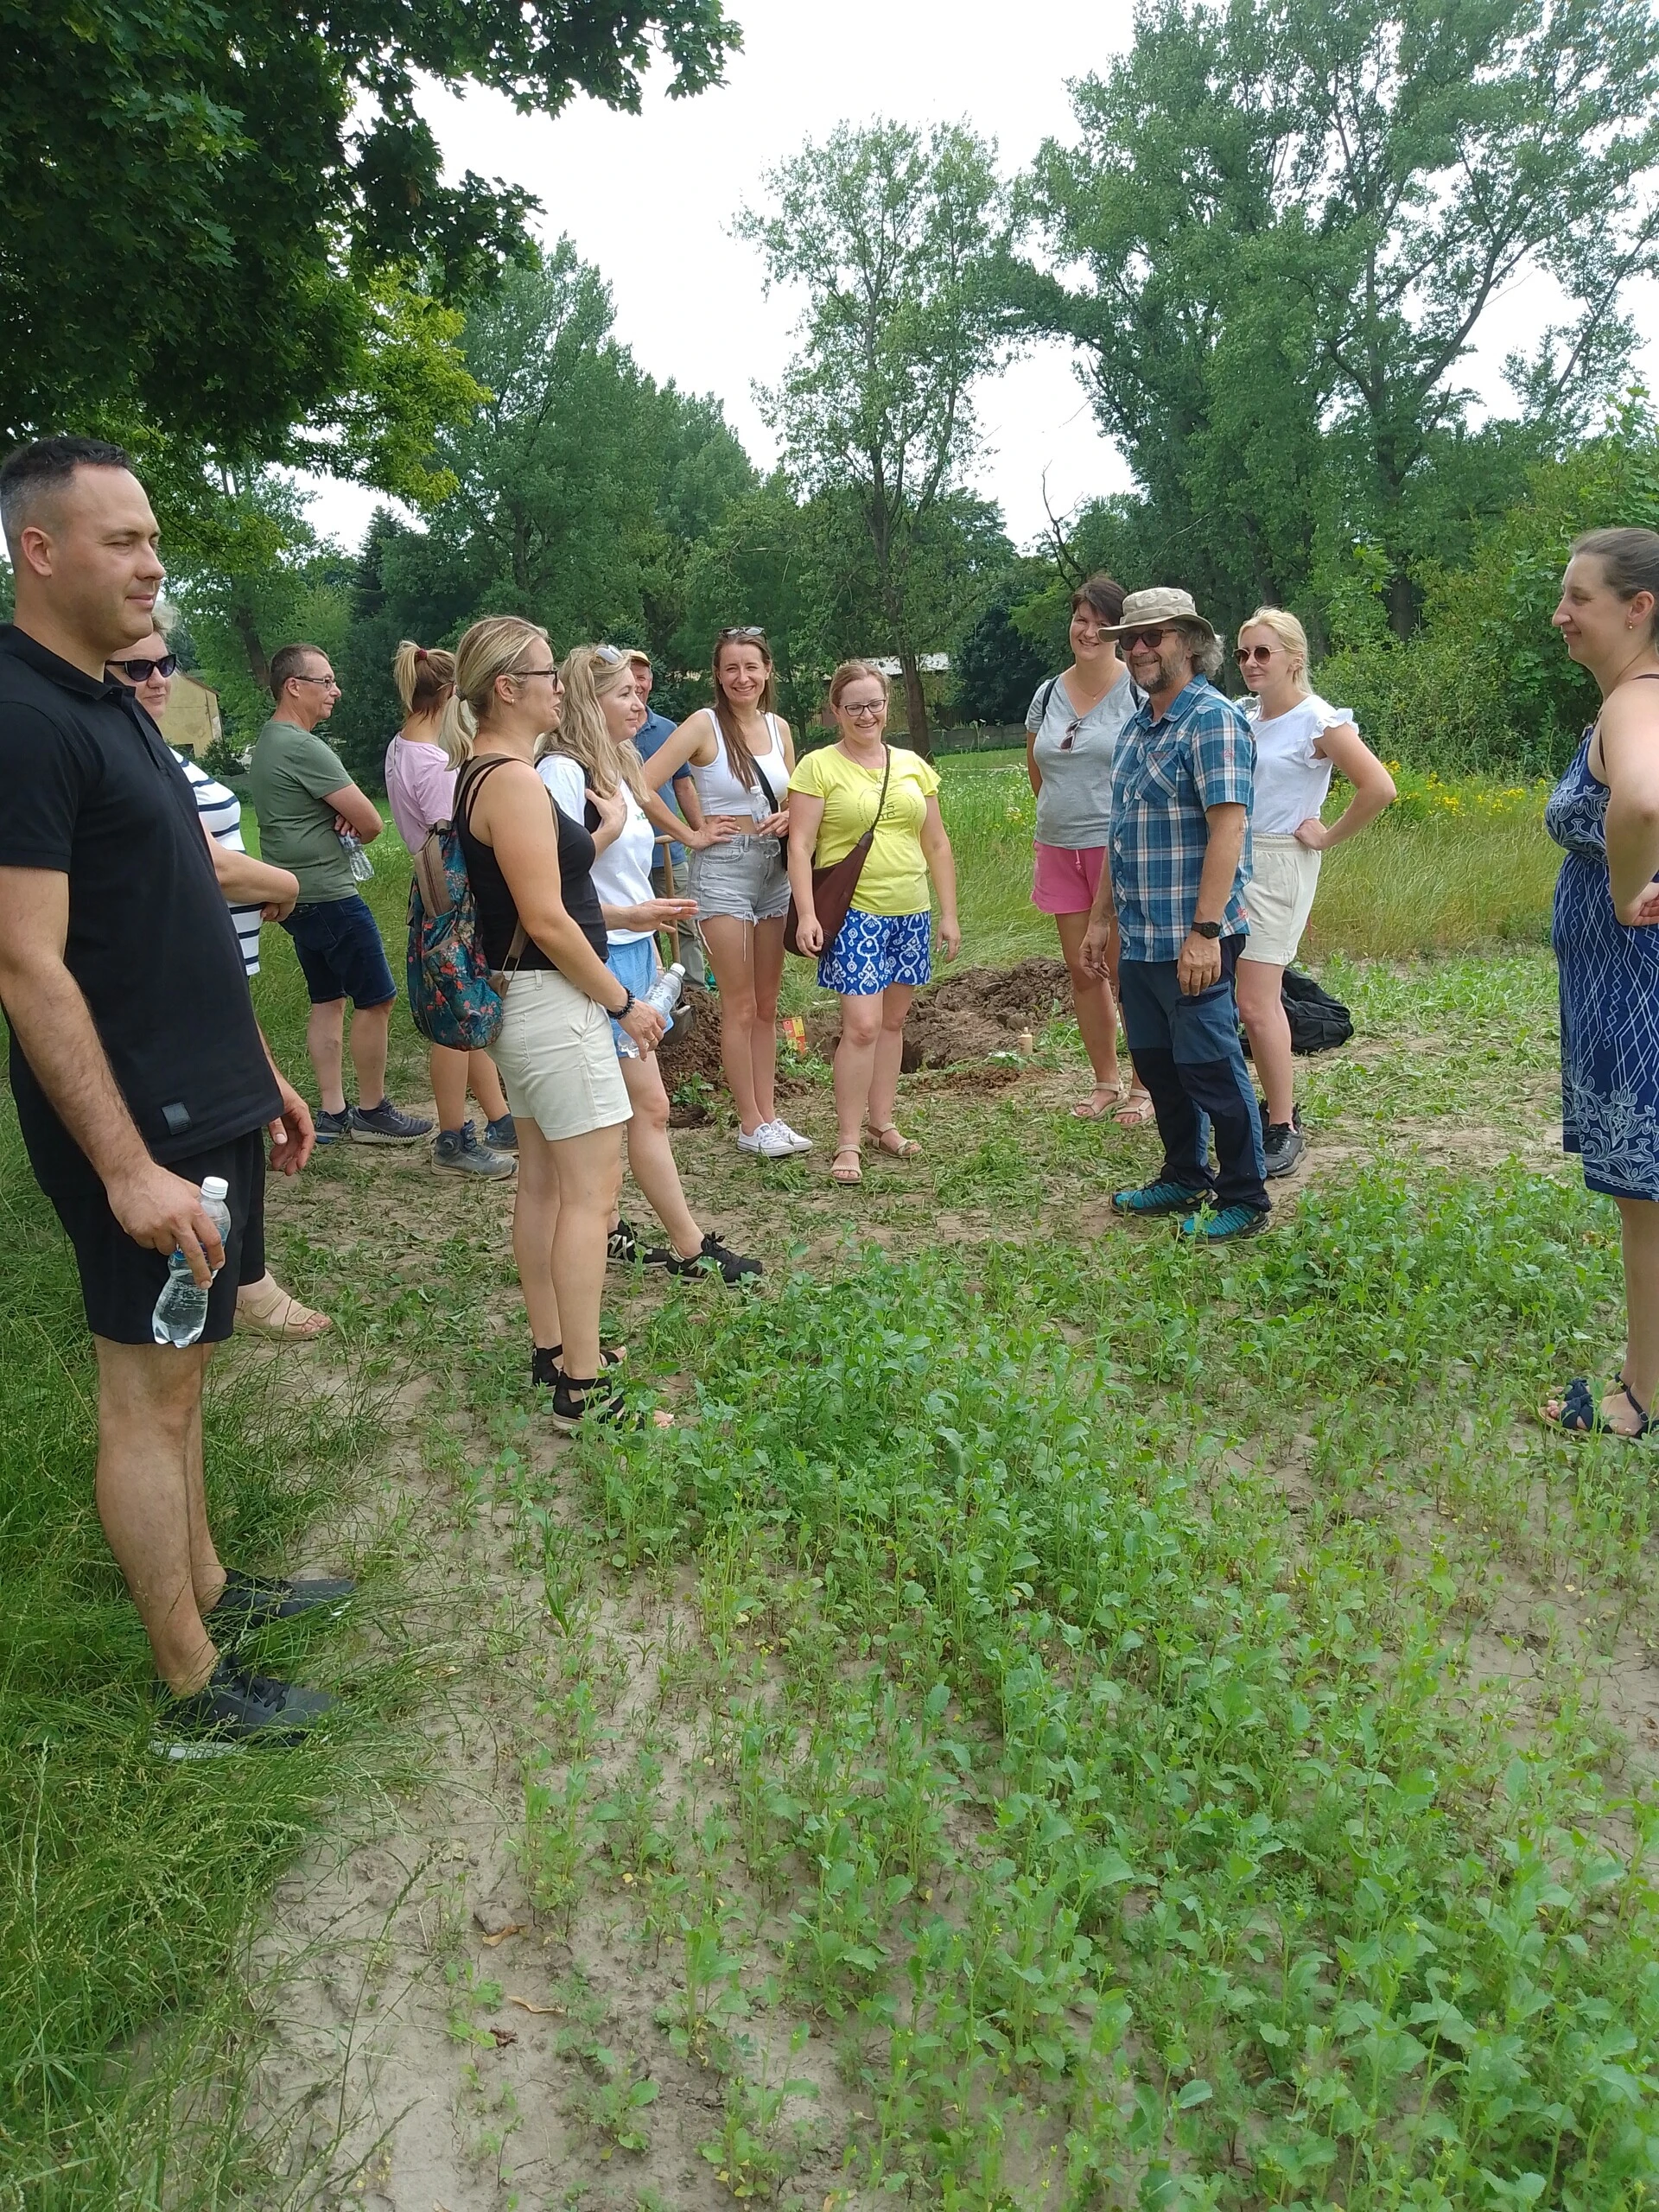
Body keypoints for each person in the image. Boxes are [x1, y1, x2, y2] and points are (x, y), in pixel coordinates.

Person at [0, 435, 348, 1749]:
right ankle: (193, 1690)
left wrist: (257, 1073)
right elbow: (28, 967)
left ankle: (213, 1588)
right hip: (134, 1130)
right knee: (146, 1395)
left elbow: (175, 907)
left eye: (153, 539)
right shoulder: (23, 719)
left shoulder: (103, 700)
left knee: (191, 1373)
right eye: (120, 541)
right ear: (37, 552)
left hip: (207, 1103)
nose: (152, 565)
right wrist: (124, 1166)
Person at [449, 616, 666, 1430]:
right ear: (508, 688)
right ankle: (583, 1388)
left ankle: (554, 1349)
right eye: (547, 674)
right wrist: (622, 1001)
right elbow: (546, 918)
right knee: (589, 1196)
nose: (559, 687)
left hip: (524, 1005)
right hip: (552, 1003)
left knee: (542, 1183)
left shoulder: (482, 772)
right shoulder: (510, 780)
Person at [104, 622, 336, 1338]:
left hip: (218, 977)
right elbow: (209, 865)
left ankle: (248, 1281)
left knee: (245, 1129)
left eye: (164, 663)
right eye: (135, 668)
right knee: (213, 1151)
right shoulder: (123, 758)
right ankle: (231, 1288)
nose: (156, 679)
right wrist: (286, 881)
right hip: (174, 992)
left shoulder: (155, 752)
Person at [537, 645, 760, 1281]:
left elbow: (626, 871)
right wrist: (626, 919)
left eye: (640, 692)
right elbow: (544, 896)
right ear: (589, 701)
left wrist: (649, 927)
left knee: (640, 1111)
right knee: (634, 1114)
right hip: (591, 962)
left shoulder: (623, 761)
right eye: (624, 695)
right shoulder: (561, 773)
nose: (640, 704)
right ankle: (684, 1248)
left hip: (634, 957)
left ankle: (620, 1233)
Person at [1081, 586, 1269, 1242]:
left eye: (1151, 636)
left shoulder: (1212, 721)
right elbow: (1120, 830)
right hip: (1141, 938)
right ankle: (1185, 1173)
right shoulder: (1137, 728)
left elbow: (1229, 832)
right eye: (1128, 638)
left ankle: (1245, 1195)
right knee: (1160, 1068)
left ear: (1188, 642)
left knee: (1213, 1069)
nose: (1137, 649)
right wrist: (1101, 917)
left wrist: (1205, 933)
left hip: (1194, 939)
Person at [1542, 528, 1659, 1439]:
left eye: (1579, 597)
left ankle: (1642, 1397)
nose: (1562, 615)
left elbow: (1645, 799)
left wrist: (1625, 896)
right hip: (1625, 985)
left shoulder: (1635, 704)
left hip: (1634, 989)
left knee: (1645, 1200)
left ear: (1639, 608)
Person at [636, 628, 812, 1160]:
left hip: (773, 872)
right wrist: (691, 834)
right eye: (732, 668)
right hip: (723, 872)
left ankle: (770, 1116)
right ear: (718, 675)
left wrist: (789, 816)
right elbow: (642, 783)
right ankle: (749, 1122)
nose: (743, 678)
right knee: (737, 1005)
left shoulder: (780, 728)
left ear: (768, 671)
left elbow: (797, 793)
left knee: (766, 1004)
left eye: (752, 667)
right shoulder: (703, 725)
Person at [1232, 608, 1395, 1176]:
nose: (1251, 663)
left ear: (1293, 659)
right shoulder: (1242, 717)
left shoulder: (1317, 721)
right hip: (1233, 857)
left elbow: (1379, 786)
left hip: (1279, 862)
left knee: (1257, 998)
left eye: (1263, 653)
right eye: (1243, 653)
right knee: (1238, 997)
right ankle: (1253, 1107)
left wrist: (1326, 835)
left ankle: (1283, 1123)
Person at [248, 644, 432, 1145]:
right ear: (294, 687)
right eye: (325, 681)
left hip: (294, 896)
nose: (336, 690)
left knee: (327, 1000)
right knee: (377, 999)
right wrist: (350, 821)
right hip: (329, 894)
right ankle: (372, 1110)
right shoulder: (303, 746)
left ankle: (332, 1112)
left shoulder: (268, 741)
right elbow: (372, 824)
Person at [787, 661, 961, 1185]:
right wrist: (808, 913)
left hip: (909, 908)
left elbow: (936, 842)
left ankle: (882, 1123)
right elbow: (800, 844)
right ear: (835, 711)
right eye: (855, 706)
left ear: (888, 706)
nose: (867, 714)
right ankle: (846, 1140)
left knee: (892, 1024)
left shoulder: (912, 765)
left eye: (875, 703)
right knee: (860, 1026)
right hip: (855, 912)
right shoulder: (818, 767)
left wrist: (948, 913)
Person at [384, 639, 517, 1181]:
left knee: (468, 1008)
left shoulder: (402, 746)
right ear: (452, 696)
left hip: (434, 892)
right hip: (449, 897)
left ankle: (500, 1118)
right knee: (456, 1017)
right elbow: (456, 837)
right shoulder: (435, 764)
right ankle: (452, 1136)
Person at [1026, 575, 1153, 1128]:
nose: (1089, 631)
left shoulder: (1138, 691)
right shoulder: (1048, 693)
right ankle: (1106, 1080)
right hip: (1059, 844)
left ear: (1121, 633)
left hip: (1117, 848)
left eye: (1102, 623)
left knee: (1128, 971)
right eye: (1081, 619)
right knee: (1084, 971)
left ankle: (1146, 1085)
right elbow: (1038, 770)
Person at [625, 646, 708, 986]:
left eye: (642, 677)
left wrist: (699, 833)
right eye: (629, 678)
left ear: (650, 681)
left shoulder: (668, 729)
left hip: (668, 851)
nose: (637, 684)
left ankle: (696, 992)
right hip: (630, 852)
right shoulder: (610, 730)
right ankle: (654, 992)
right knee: (640, 926)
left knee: (684, 922)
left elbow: (684, 786)